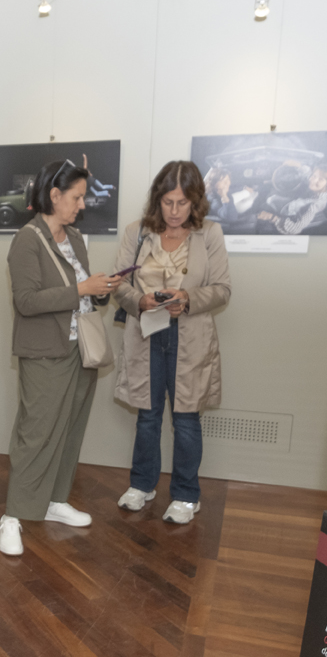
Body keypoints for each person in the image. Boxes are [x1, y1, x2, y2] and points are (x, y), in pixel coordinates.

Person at [0, 160, 122, 556]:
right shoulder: (27, 240)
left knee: (70, 427)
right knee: (36, 433)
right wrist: (81, 287)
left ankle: (53, 501)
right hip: (44, 352)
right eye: (76, 197)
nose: (82, 205)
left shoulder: (76, 238)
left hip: (78, 348)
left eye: (83, 197)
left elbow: (81, 291)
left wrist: (100, 289)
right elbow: (26, 301)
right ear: (54, 196)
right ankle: (13, 517)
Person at [113, 161, 231, 524]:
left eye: (183, 203)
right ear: (157, 200)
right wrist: (140, 301)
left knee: (186, 420)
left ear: (195, 201)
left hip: (189, 336)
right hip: (147, 333)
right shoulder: (136, 233)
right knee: (147, 417)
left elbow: (223, 289)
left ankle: (184, 494)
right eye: (168, 202)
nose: (175, 211)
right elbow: (118, 285)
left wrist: (188, 298)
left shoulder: (209, 234)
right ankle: (142, 485)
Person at [255, 164, 327, 235]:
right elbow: (307, 173)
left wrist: (272, 217)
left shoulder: (314, 205)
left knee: (269, 201)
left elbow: (296, 228)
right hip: (296, 200)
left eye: (321, 179)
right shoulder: (315, 184)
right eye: (314, 176)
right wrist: (299, 165)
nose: (313, 180)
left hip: (291, 215)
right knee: (271, 198)